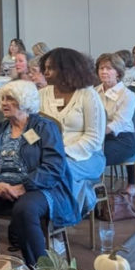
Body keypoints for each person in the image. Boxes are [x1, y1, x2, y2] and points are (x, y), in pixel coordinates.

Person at [0, 80, 75, 266]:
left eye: (10, 99)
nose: (4, 103)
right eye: (3, 99)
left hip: (41, 187)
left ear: (24, 101)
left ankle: (40, 269)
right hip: (1, 188)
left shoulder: (44, 127)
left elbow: (54, 167)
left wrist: (23, 186)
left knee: (25, 209)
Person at [38, 48, 106, 220]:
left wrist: (62, 153)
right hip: (48, 154)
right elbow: (33, 129)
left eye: (51, 68)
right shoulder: (40, 95)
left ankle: (59, 224)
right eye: (44, 68)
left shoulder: (88, 95)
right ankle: (84, 200)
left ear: (67, 70)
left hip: (87, 156)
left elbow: (94, 139)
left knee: (59, 171)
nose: (45, 73)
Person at [96, 53, 135, 196]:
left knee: (95, 157)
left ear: (118, 73)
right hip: (98, 136)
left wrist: (97, 134)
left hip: (122, 139)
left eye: (109, 68)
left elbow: (119, 123)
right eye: (101, 68)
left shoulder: (127, 95)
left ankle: (93, 193)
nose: (104, 72)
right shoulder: (94, 92)